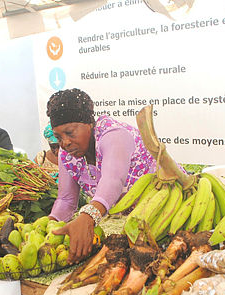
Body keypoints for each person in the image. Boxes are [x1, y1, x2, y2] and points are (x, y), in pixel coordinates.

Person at [47, 88, 157, 263]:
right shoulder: (66, 154)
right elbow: (66, 200)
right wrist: (48, 228)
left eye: (70, 132)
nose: (65, 142)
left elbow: (113, 180)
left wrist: (88, 216)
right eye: (58, 137)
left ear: (89, 123)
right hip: (134, 223)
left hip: (165, 209)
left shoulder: (114, 135)